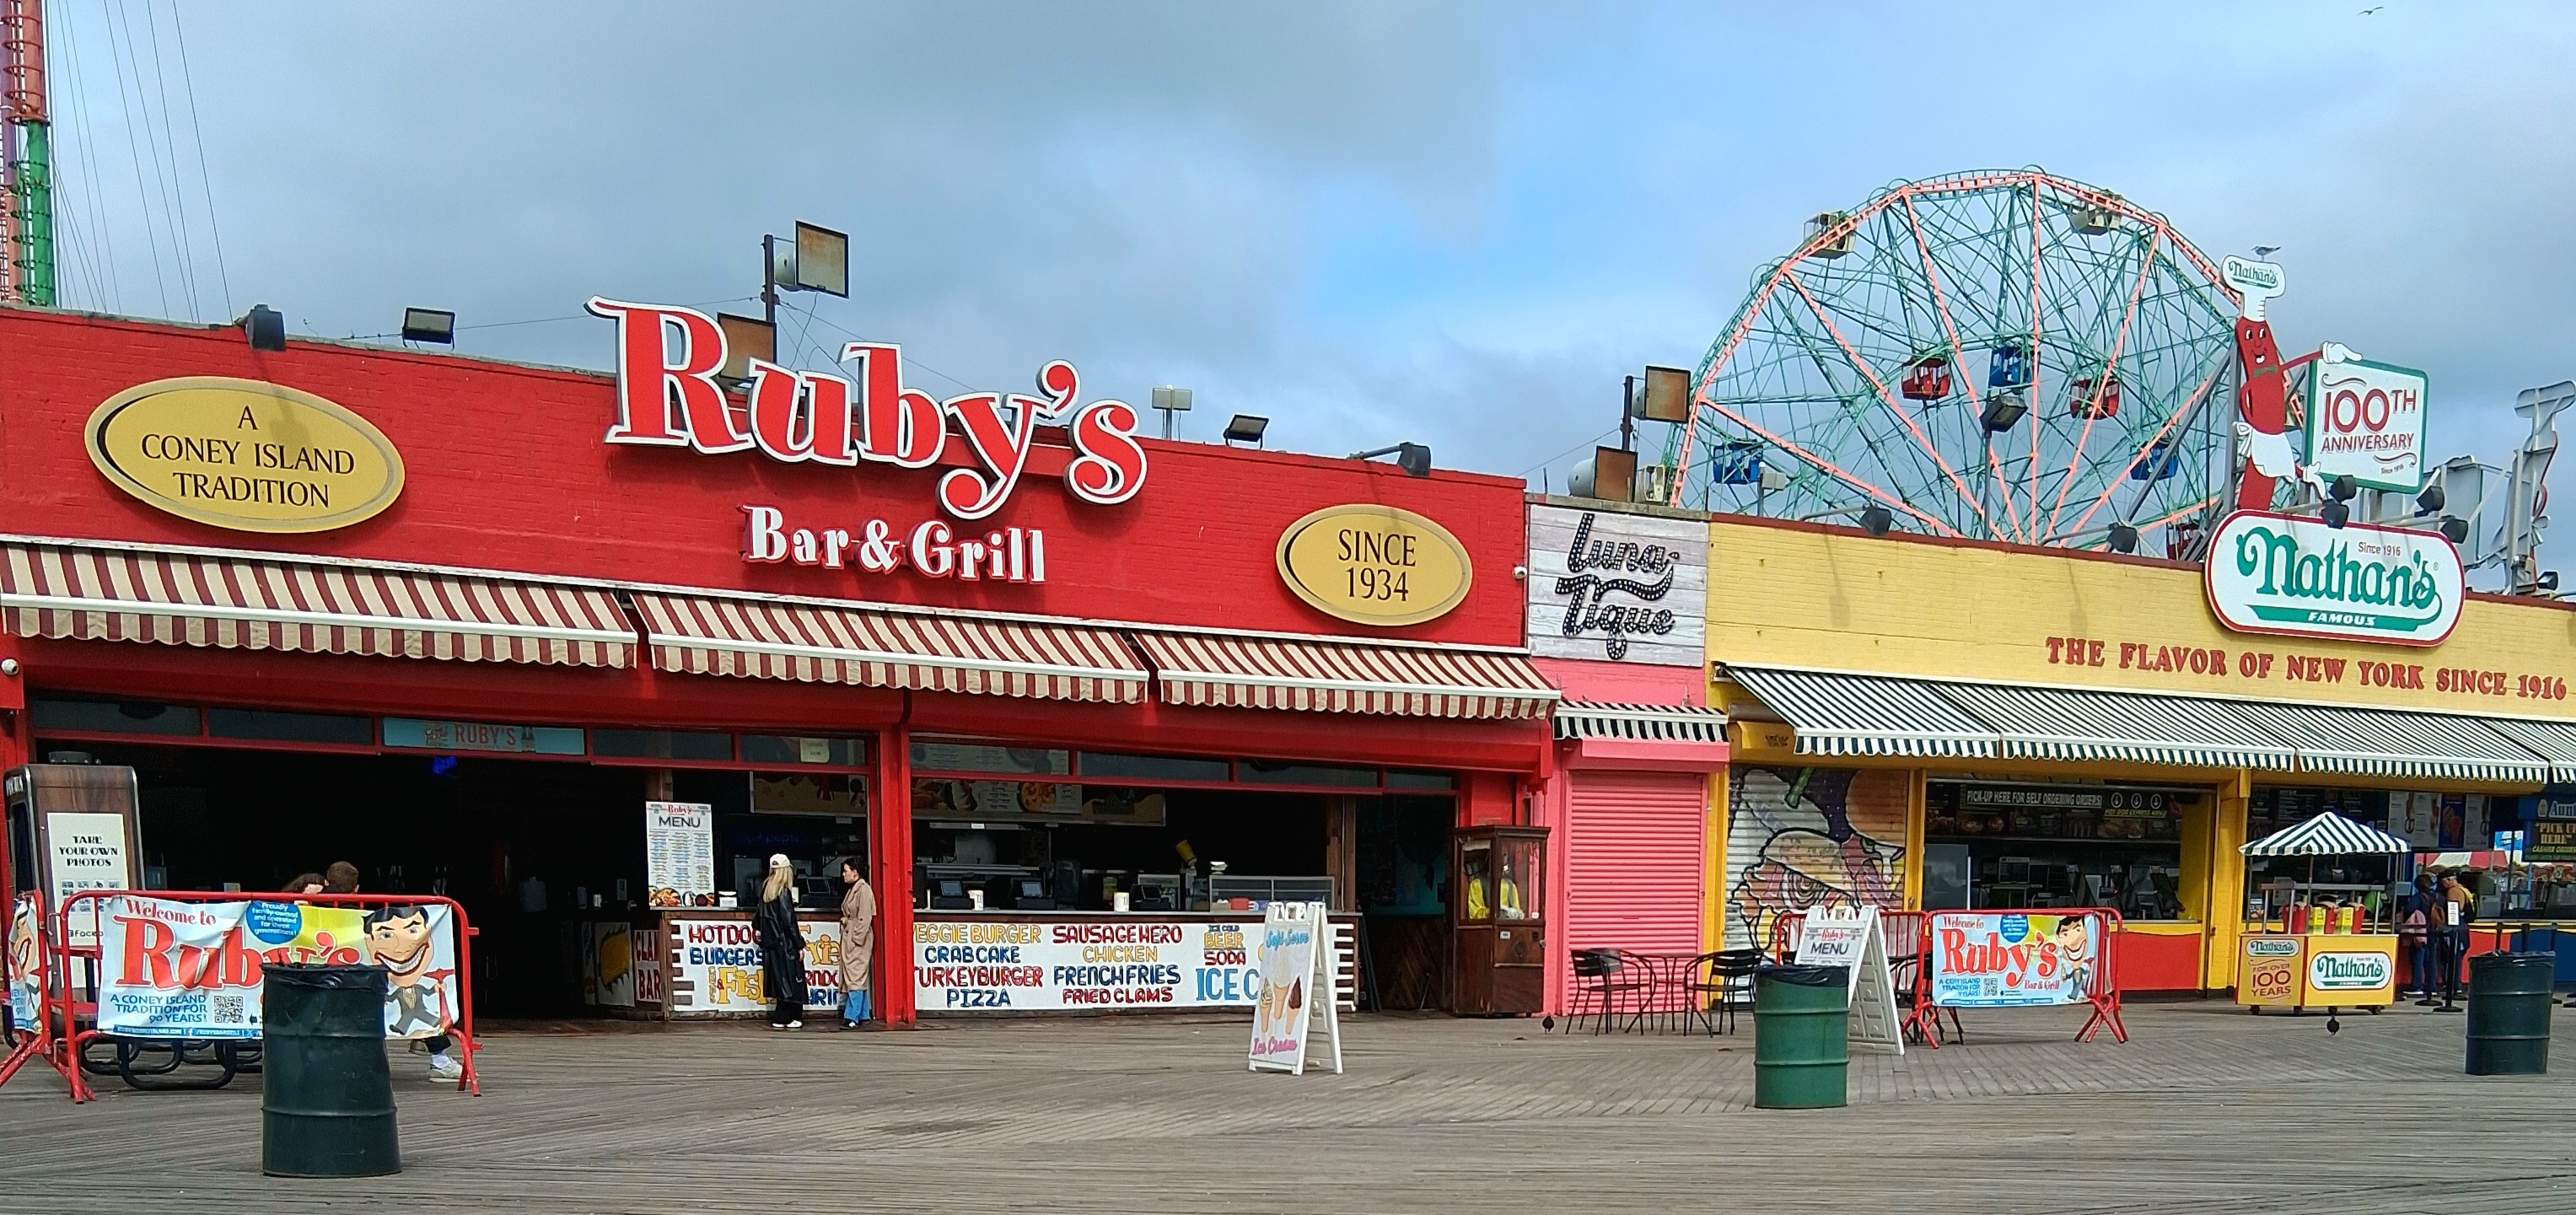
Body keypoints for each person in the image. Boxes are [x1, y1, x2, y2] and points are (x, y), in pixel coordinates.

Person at [753, 855, 807, 1030]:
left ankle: (780, 1017)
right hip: (786, 945)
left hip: (771, 945)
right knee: (793, 981)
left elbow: (756, 920)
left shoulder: (766, 889)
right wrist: (799, 944)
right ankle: (792, 1016)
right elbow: (789, 922)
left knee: (779, 982)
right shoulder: (784, 892)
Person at [836, 858, 877, 1030]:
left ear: (855, 872)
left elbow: (865, 917)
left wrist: (856, 940)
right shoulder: (855, 889)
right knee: (855, 974)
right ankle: (863, 1014)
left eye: (846, 871)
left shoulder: (864, 890)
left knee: (856, 975)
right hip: (851, 936)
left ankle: (851, 1016)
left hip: (857, 939)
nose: (843, 874)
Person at [2399, 874, 2436, 999]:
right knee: (2430, 960)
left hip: (2420, 931)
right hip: (2434, 930)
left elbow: (2409, 909)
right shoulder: (2437, 896)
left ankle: (2417, 986)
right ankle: (2432, 987)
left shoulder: (2418, 897)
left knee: (2417, 958)